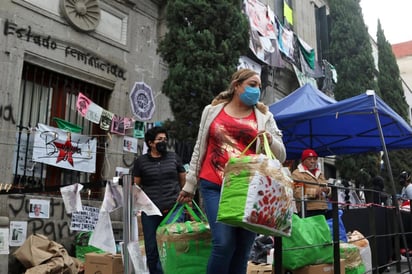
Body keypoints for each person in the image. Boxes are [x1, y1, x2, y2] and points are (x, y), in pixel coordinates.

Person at [177, 68, 286, 274]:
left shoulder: (265, 116)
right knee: (224, 243)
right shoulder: (212, 111)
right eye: (252, 85)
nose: (257, 90)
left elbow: (281, 155)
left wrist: (271, 140)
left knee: (243, 249)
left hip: (249, 190)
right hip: (214, 184)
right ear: (237, 85)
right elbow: (199, 148)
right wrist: (190, 185)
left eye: (259, 87)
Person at [133, 126, 186, 274]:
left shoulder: (174, 158)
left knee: (169, 243)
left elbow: (183, 180)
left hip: (173, 208)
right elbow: (136, 186)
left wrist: (185, 197)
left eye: (165, 139)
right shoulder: (141, 162)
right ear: (150, 143)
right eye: (159, 140)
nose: (163, 142)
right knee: (151, 249)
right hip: (150, 211)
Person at [292, 148, 331, 218]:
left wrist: (328, 191)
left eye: (315, 159)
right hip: (308, 211)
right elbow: (298, 193)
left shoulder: (320, 173)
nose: (312, 161)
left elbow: (327, 188)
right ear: (303, 161)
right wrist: (316, 192)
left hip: (323, 209)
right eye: (309, 159)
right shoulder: (296, 174)